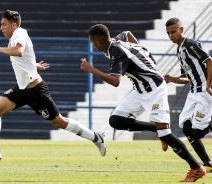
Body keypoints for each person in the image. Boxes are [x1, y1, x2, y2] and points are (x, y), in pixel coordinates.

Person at [80, 24, 206, 182]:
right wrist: (142, 54)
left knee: (166, 133)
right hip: (139, 89)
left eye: (93, 42)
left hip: (154, 89)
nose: (93, 45)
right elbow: (127, 33)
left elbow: (115, 81)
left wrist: (91, 69)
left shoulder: (115, 51)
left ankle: (196, 168)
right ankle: (155, 129)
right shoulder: (115, 41)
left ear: (97, 42)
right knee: (116, 120)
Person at [0, 10, 107, 168]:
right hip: (22, 90)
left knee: (59, 122)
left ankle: (96, 137)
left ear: (13, 25)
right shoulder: (16, 36)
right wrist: (34, 66)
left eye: (4, 24)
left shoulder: (18, 33)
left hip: (36, 91)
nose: (1, 28)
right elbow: (23, 57)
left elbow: (19, 51)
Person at [164, 17, 212, 173]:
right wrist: (172, 79)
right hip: (193, 93)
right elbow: (187, 78)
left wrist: (208, 85)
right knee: (186, 128)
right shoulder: (179, 50)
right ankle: (208, 164)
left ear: (181, 29)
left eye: (173, 32)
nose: (171, 35)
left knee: (197, 132)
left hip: (204, 93)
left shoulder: (191, 44)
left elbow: (210, 61)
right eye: (168, 33)